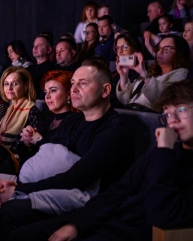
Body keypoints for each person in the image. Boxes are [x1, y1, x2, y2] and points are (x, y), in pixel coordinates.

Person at [10, 79, 193, 241]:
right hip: (107, 220)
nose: (172, 120)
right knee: (22, 234)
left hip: (131, 232)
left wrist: (164, 153)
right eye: (167, 113)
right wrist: (76, 224)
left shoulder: (162, 152)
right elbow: (117, 192)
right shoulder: (161, 153)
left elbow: (163, 214)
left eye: (182, 109)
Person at [0, 60, 135, 241]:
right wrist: (17, 185)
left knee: (11, 212)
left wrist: (20, 189)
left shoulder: (114, 131)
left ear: (105, 90)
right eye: (73, 83)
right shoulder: (73, 121)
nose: (73, 89)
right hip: (65, 189)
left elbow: (76, 178)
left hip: (92, 203)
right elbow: (46, 156)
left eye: (83, 83)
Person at [117, 34, 190, 110]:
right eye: (159, 48)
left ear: (179, 53)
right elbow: (124, 99)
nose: (160, 52)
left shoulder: (181, 73)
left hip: (148, 118)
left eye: (166, 49)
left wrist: (144, 74)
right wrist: (123, 76)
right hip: (131, 113)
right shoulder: (151, 72)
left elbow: (164, 100)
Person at [19, 70, 77, 162]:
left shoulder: (75, 121)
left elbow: (62, 159)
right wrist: (27, 140)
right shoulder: (48, 121)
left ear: (69, 94)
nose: (47, 96)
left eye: (53, 90)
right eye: (46, 92)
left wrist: (38, 140)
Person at [0, 66, 43, 153]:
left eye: (14, 84)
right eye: (6, 83)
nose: (9, 88)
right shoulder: (9, 108)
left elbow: (34, 145)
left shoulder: (32, 110)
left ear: (26, 86)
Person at [110, 32, 143, 108]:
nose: (120, 51)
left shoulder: (142, 74)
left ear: (134, 48)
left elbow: (125, 101)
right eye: (117, 48)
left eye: (124, 46)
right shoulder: (113, 73)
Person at [27, 35, 55, 99]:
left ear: (49, 49)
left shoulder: (52, 69)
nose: (35, 48)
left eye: (40, 45)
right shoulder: (29, 69)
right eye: (34, 46)